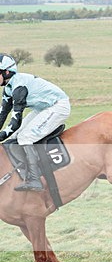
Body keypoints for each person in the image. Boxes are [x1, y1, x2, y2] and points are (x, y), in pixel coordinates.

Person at [0, 54, 71, 191]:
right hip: (43, 108)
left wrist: (1, 136)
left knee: (25, 137)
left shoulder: (19, 87)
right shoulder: (8, 88)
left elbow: (15, 122)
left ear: (6, 72)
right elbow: (2, 115)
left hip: (58, 106)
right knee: (15, 137)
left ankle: (35, 180)